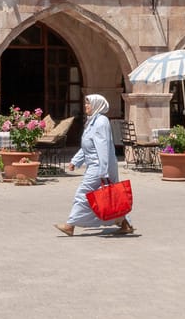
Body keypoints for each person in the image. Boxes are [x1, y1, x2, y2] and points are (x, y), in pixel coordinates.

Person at [54, 94, 134, 236]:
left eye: (88, 104)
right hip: (98, 166)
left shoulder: (101, 122)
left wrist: (103, 172)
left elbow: (102, 147)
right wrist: (75, 161)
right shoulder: (93, 121)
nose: (86, 106)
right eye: (85, 103)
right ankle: (125, 224)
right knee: (112, 197)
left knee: (83, 193)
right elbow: (87, 145)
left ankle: (70, 225)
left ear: (97, 105)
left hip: (99, 166)